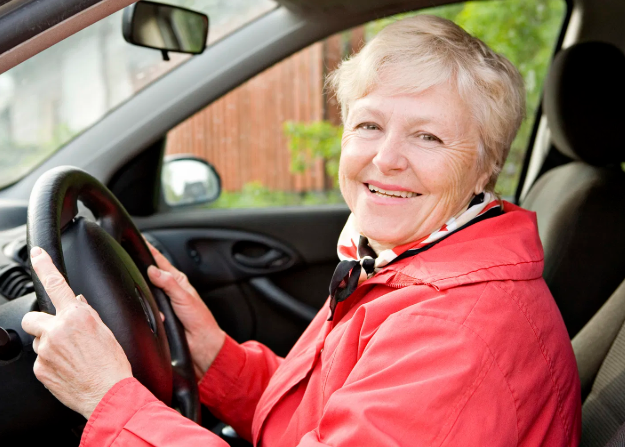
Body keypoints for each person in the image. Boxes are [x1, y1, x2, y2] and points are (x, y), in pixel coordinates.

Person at [21, 14, 581, 447]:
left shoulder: (454, 333)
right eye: (369, 124)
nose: (386, 159)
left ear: (485, 169)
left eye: (428, 137)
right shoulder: (406, 262)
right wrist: (214, 357)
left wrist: (110, 398)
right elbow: (323, 419)